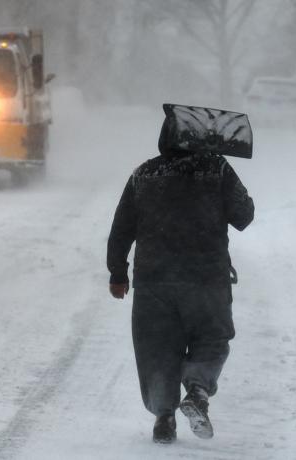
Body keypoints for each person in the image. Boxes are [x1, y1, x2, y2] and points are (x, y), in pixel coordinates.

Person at [107, 113, 254, 444]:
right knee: (212, 339)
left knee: (156, 348)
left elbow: (121, 228)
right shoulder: (216, 170)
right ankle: (198, 391)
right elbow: (244, 216)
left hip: (154, 282)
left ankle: (164, 417)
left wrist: (117, 272)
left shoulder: (145, 174)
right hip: (206, 279)